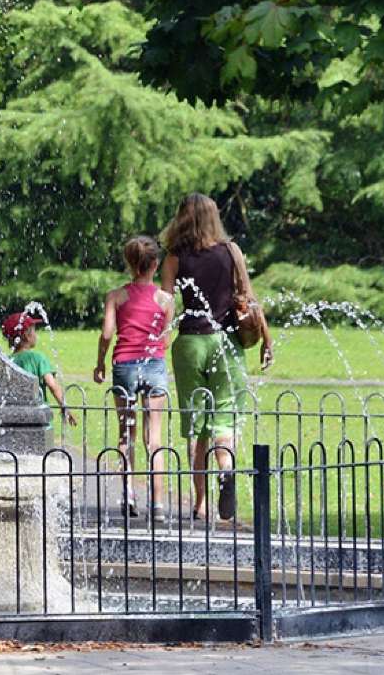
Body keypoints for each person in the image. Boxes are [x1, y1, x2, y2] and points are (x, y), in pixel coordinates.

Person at [160, 193, 254, 526]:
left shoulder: (174, 257)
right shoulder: (232, 252)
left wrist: (157, 336)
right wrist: (266, 339)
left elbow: (166, 304)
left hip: (190, 343)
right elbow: (248, 298)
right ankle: (226, 471)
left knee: (196, 426)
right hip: (225, 342)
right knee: (224, 419)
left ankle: (200, 504)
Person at [93, 235, 174, 521]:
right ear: (155, 264)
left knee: (126, 434)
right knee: (154, 439)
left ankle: (128, 495)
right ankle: (158, 506)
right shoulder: (166, 300)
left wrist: (100, 363)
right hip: (154, 365)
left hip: (124, 365)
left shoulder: (116, 296)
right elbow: (165, 336)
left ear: (129, 263)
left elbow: (106, 334)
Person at [1, 310, 77, 429]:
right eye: (34, 331)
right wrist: (64, 406)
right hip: (38, 422)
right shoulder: (37, 358)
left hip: (16, 422)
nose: (36, 335)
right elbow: (52, 385)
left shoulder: (8, 361)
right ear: (26, 335)